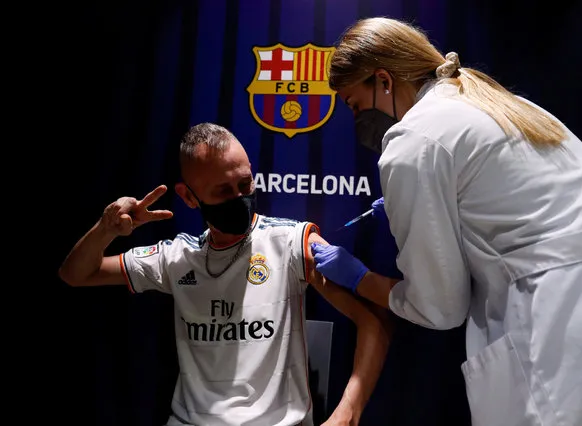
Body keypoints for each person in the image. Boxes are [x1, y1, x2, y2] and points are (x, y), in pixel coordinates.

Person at [310, 16, 582, 426]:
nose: (357, 118)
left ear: (383, 80)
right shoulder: (501, 105)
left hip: (562, 331)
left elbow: (439, 309)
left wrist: (357, 277)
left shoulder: (413, 141)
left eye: (354, 104)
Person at [58, 122, 391, 426]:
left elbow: (373, 322)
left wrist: (346, 414)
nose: (239, 198)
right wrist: (106, 229)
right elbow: (76, 274)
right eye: (222, 191)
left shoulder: (291, 243)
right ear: (189, 196)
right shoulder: (176, 257)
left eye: (244, 184)